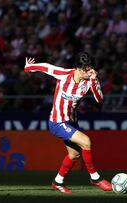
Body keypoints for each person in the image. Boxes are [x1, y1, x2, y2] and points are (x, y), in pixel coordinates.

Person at [24, 52, 112, 194]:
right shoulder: (64, 74)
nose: (89, 72)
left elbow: (99, 99)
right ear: (77, 68)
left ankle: (57, 182)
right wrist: (29, 67)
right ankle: (95, 178)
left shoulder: (90, 80)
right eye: (86, 69)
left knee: (74, 155)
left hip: (71, 121)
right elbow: (46, 68)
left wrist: (95, 81)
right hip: (57, 121)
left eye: (91, 68)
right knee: (86, 142)